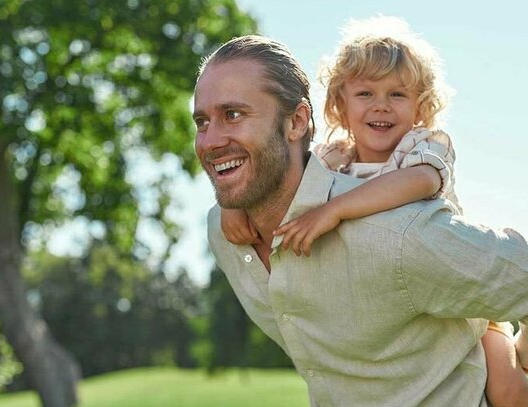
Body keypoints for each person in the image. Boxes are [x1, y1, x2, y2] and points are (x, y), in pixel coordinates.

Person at [193, 27, 528, 407]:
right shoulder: (230, 230)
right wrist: (233, 201)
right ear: (342, 104)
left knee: (510, 393)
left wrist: (335, 211)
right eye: (202, 122)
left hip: (473, 306)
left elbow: (420, 186)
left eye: (233, 115)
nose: (211, 140)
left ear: (297, 122)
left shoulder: (410, 201)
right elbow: (283, 175)